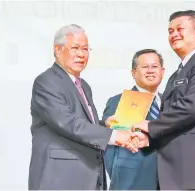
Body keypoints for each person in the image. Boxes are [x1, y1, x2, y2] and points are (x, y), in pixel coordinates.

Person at [131, 10, 195, 190]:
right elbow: (175, 121)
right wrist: (148, 140)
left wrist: (151, 126)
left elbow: (193, 107)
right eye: (170, 31)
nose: (174, 34)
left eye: (180, 29)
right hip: (181, 176)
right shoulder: (176, 74)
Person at [28, 24, 138, 190]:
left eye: (85, 49)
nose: (81, 54)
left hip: (87, 177)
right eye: (75, 48)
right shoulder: (47, 82)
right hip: (60, 179)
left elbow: (80, 122)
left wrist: (104, 124)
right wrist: (114, 135)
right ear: (58, 50)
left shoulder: (83, 85)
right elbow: (67, 123)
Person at [102, 49, 164, 190]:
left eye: (154, 66)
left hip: (169, 182)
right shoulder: (118, 101)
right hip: (132, 183)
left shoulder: (174, 103)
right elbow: (110, 146)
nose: (150, 71)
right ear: (133, 73)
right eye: (144, 67)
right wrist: (121, 179)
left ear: (162, 71)